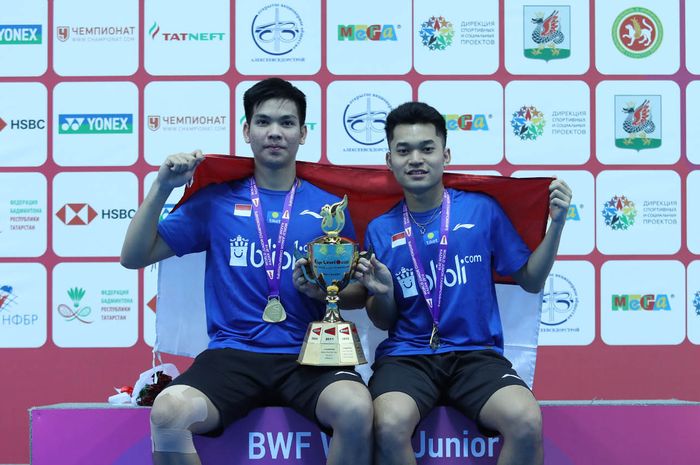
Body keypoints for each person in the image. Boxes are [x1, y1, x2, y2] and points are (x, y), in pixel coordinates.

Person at [121, 77, 373, 465]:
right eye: (263, 121)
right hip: (231, 355)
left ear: (303, 133)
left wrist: (321, 293)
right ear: (247, 130)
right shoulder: (216, 202)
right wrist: (161, 188)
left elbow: (355, 294)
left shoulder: (330, 212)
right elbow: (133, 256)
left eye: (287, 123)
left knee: (357, 409)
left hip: (307, 356)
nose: (275, 132)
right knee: (169, 413)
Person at [354, 101, 572, 465]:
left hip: (475, 355)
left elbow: (531, 281)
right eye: (403, 150)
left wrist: (558, 224)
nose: (416, 159)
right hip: (408, 358)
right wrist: (384, 293)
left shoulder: (480, 210)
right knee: (388, 424)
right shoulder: (380, 229)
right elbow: (383, 320)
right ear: (389, 160)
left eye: (427, 148)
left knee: (526, 419)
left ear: (446, 154)